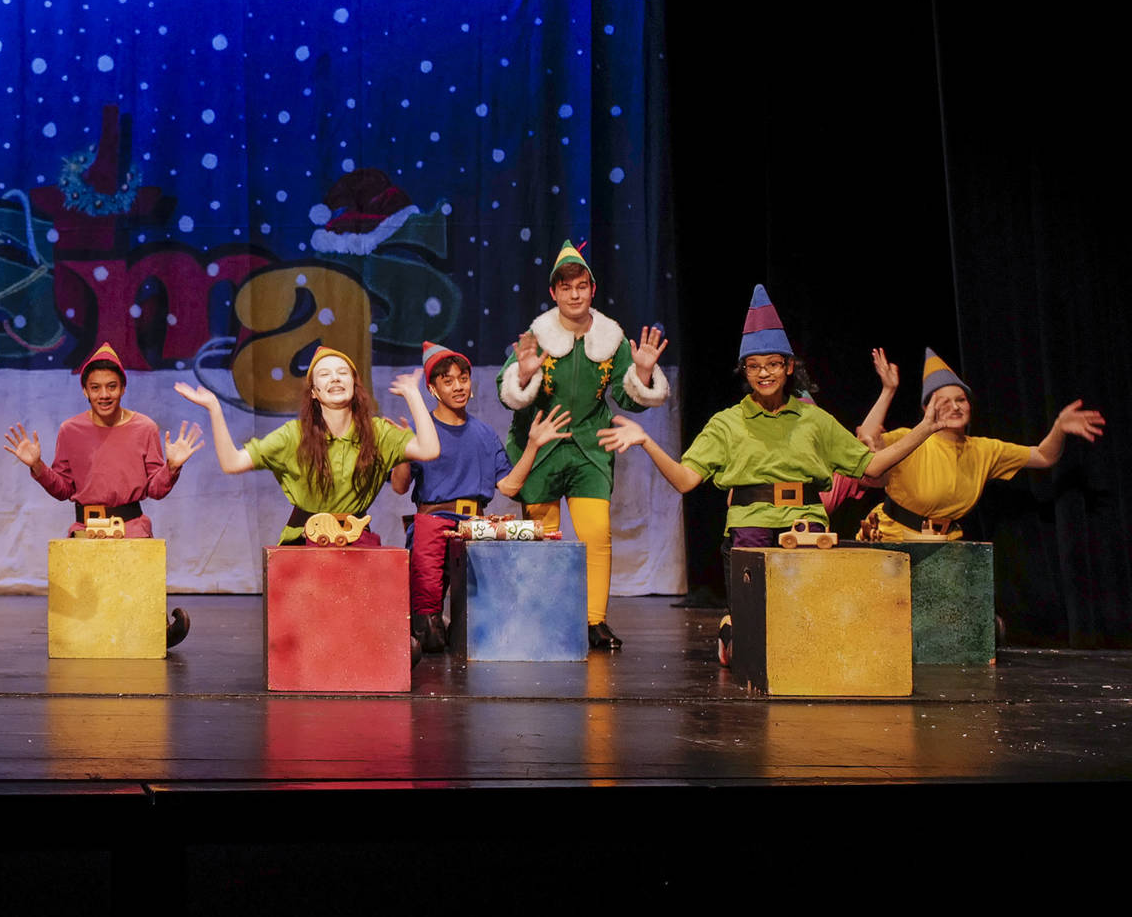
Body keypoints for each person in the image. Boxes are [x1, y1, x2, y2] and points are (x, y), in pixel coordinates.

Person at [597, 285, 952, 667]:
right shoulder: (728, 422)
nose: (763, 373)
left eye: (772, 364)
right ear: (745, 371)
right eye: (754, 366)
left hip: (805, 523)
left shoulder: (813, 419)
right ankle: (735, 629)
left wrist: (925, 428)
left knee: (805, 627)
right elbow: (685, 480)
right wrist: (647, 441)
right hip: (750, 524)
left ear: (788, 367)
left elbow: (872, 466)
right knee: (755, 640)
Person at [497, 240, 670, 651]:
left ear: (592, 290)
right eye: (566, 288)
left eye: (581, 286)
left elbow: (628, 397)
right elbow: (507, 392)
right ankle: (543, 619)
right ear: (553, 293)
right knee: (543, 538)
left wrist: (644, 374)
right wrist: (524, 375)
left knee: (596, 533)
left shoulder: (612, 339)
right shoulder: (536, 337)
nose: (574, 295)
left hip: (590, 449)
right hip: (542, 447)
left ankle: (595, 621)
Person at [3, 342, 206, 646]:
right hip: (86, 527)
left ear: (123, 388)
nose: (104, 395)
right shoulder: (70, 430)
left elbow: (155, 489)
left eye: (111, 386)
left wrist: (172, 467)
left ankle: (155, 628)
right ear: (85, 391)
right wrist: (37, 466)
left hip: (131, 527)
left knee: (140, 594)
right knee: (84, 611)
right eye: (96, 388)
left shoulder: (144, 427)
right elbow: (64, 489)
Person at [387, 342, 572, 652]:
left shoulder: (484, 434)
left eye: (463, 378)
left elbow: (509, 487)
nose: (458, 386)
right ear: (432, 389)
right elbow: (399, 487)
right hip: (434, 521)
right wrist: (402, 452)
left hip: (475, 524)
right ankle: (428, 628)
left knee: (481, 621)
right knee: (429, 627)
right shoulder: (424, 430)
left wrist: (533, 446)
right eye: (448, 381)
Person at [174, 345, 438, 552]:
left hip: (355, 540)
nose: (335, 378)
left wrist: (413, 394)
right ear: (314, 392)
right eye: (324, 374)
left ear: (354, 384)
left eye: (342, 372)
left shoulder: (377, 432)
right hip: (305, 541)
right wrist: (214, 408)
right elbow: (232, 462)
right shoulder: (294, 435)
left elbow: (429, 450)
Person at [852, 348, 1104, 542]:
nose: (955, 407)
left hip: (944, 545)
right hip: (892, 539)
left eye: (961, 400)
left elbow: (1044, 456)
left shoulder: (985, 450)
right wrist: (888, 390)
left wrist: (1059, 427)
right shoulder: (911, 438)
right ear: (927, 408)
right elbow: (866, 443)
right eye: (944, 401)